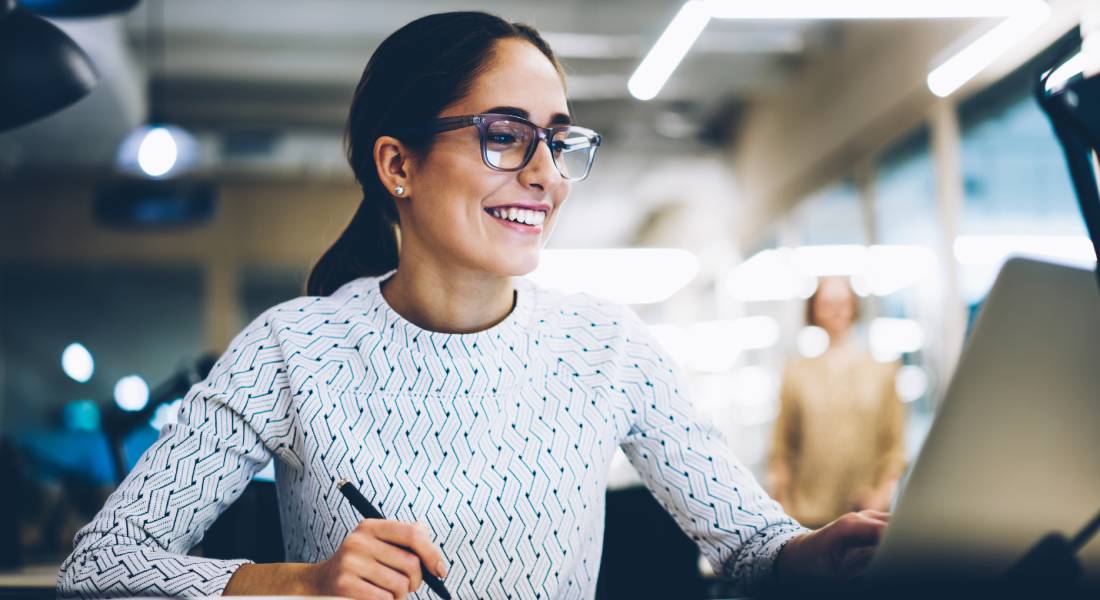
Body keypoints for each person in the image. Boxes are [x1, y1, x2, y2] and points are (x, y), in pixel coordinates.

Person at [58, 12, 889, 600]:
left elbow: (748, 544)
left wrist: (819, 552)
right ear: (399, 166)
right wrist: (301, 586)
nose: (544, 173)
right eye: (504, 134)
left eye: (558, 140)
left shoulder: (605, 347)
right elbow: (101, 569)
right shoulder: (292, 349)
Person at [769, 277, 907, 529]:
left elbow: (894, 446)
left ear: (854, 306)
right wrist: (783, 507)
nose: (836, 309)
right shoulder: (796, 373)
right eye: (828, 302)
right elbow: (782, 448)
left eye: (843, 301)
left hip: (866, 513)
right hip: (808, 516)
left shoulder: (882, 372)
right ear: (814, 309)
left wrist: (881, 495)